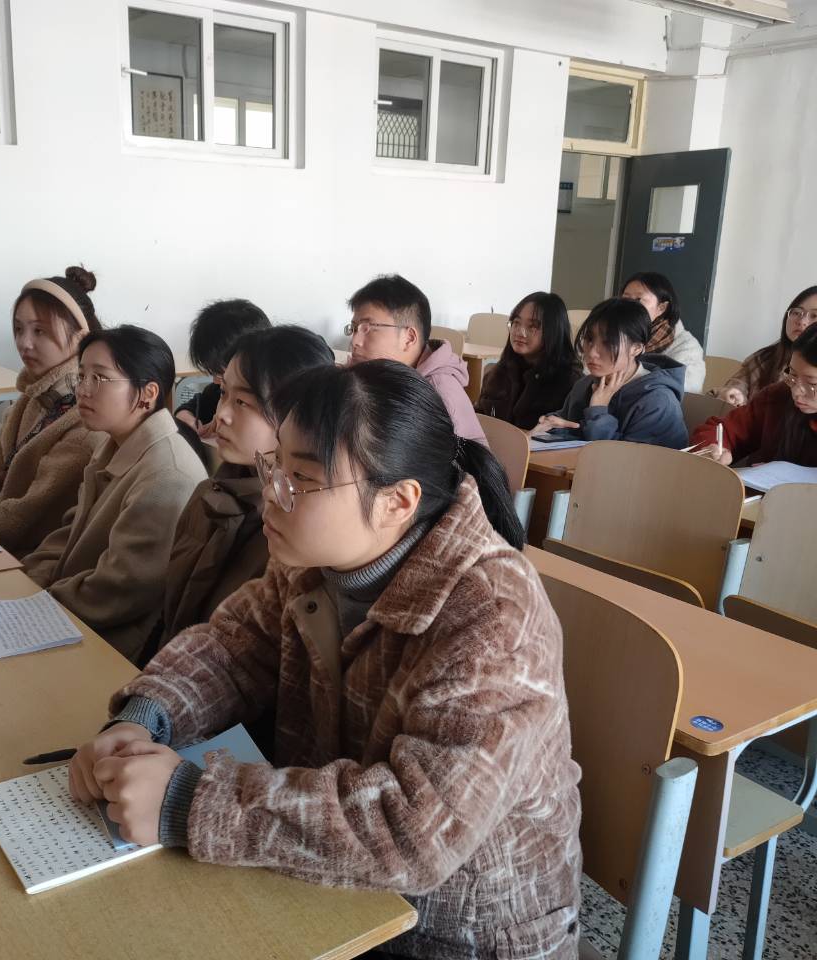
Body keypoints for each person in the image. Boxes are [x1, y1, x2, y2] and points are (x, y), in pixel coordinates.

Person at [67, 361, 582, 960]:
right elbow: (231, 647)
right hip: (331, 886)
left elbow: (413, 833)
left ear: (397, 502)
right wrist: (145, 717)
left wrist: (189, 801)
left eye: (301, 479)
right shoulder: (311, 560)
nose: (272, 493)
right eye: (274, 465)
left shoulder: (493, 614)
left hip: (460, 935)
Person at [23, 325, 207, 661]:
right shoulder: (114, 444)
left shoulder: (168, 474)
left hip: (111, 644)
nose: (83, 390)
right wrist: (26, 581)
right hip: (69, 610)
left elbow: (121, 589)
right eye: (81, 376)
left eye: (100, 378)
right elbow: (69, 533)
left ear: (147, 394)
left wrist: (38, 603)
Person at [158, 325, 334, 649]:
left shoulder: (292, 532)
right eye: (223, 393)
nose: (221, 414)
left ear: (295, 415)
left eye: (242, 402)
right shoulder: (211, 492)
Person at [0, 266, 104, 558]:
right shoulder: (34, 396)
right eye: (19, 329)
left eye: (40, 331)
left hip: (29, 557)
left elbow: (27, 515)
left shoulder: (87, 418)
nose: (24, 343)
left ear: (81, 338)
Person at [346, 274, 489, 446]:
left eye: (368, 328)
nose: (355, 341)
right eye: (354, 329)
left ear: (409, 338)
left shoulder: (438, 396)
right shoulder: (383, 375)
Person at [532, 298, 689, 448]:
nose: (592, 353)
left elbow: (625, 461)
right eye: (589, 339)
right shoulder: (584, 384)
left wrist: (598, 411)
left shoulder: (658, 402)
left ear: (636, 348)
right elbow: (568, 426)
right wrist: (552, 425)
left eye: (608, 343)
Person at [691, 324, 817, 467]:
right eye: (792, 375)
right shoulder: (778, 396)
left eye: (811, 383)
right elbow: (724, 429)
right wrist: (712, 448)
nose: (796, 391)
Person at [475, 292, 582, 430]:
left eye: (532, 326)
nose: (520, 332)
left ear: (553, 331)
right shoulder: (498, 372)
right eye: (516, 323)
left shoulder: (570, 382)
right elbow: (478, 418)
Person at [174, 299, 270, 435]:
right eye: (213, 373)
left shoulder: (277, 404)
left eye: (220, 373)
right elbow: (197, 405)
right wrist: (185, 415)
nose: (215, 381)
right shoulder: (218, 391)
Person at [713, 285, 817, 406]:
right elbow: (738, 385)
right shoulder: (765, 358)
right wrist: (734, 394)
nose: (801, 321)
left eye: (814, 316)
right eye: (797, 312)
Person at [621, 272, 706, 392]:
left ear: (661, 308)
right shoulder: (615, 333)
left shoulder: (687, 347)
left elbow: (687, 391)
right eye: (625, 299)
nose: (628, 306)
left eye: (638, 299)